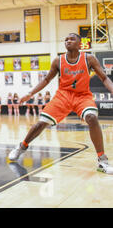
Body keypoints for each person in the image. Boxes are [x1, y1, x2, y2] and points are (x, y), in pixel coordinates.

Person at [8, 33, 113, 174]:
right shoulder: (58, 60)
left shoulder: (89, 58)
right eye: (66, 39)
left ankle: (102, 160)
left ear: (79, 43)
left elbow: (104, 77)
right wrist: (30, 93)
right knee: (40, 123)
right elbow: (46, 80)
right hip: (63, 96)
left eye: (72, 39)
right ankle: (22, 146)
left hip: (82, 96)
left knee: (92, 118)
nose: (68, 41)